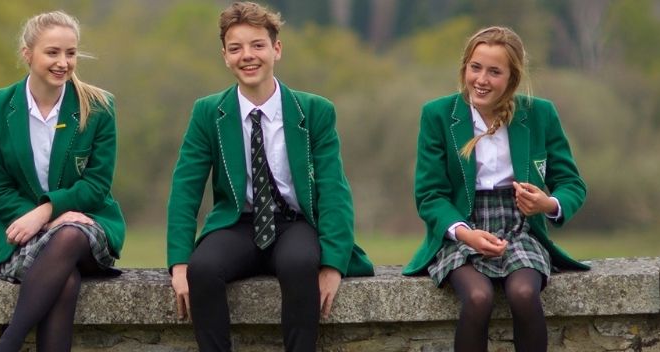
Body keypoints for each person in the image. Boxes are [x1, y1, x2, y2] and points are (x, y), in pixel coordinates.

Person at [165, 2, 373, 351]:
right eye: (236, 48)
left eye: (257, 45)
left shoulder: (314, 111)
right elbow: (185, 191)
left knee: (299, 264)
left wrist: (334, 264)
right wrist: (179, 263)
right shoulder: (207, 113)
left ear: (276, 49)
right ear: (225, 56)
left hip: (294, 222)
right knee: (203, 270)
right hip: (238, 223)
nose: (247, 56)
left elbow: (334, 190)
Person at [402, 26, 589, 352]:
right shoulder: (438, 115)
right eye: (475, 68)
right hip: (461, 227)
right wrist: (464, 233)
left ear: (512, 79)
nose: (481, 79)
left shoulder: (539, 113)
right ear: (464, 69)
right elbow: (430, 195)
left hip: (520, 228)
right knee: (478, 297)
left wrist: (547, 204)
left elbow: (571, 183)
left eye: (494, 72)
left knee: (523, 293)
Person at [0, 10, 125, 352]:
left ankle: (8, 344)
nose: (63, 62)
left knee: (69, 234)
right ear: (28, 54)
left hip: (87, 228)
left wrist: (45, 214)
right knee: (66, 281)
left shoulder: (99, 106)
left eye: (70, 53)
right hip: (20, 236)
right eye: (52, 52)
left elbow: (96, 185)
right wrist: (44, 218)